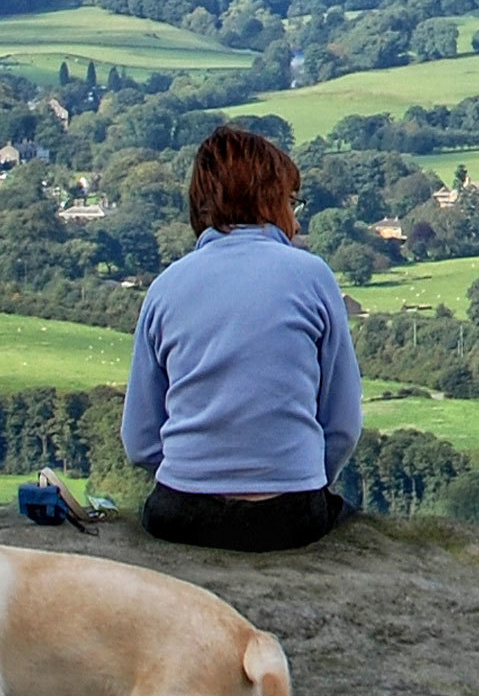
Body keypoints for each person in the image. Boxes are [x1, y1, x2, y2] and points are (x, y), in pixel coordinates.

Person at [123, 125, 362, 551]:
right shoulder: (312, 276)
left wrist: (198, 475)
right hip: (289, 516)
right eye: (291, 201)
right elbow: (341, 426)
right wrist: (300, 475)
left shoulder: (165, 286)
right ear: (271, 201)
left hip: (180, 514)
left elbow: (140, 441)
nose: (297, 216)